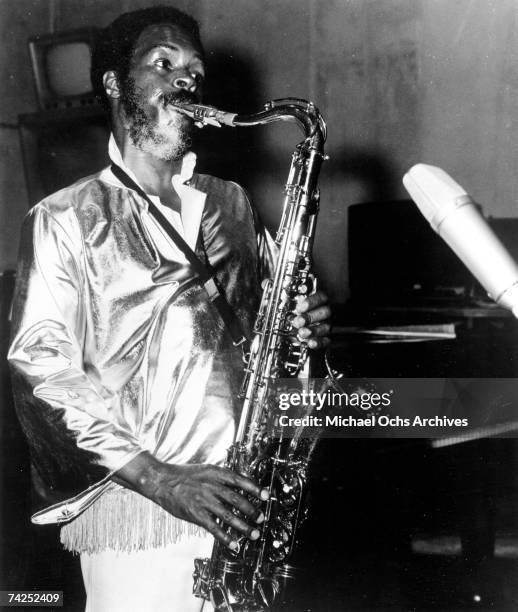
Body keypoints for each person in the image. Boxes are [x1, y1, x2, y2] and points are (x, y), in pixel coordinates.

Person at [8, 6, 331, 611]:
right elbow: (41, 372)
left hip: (245, 503)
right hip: (140, 509)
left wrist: (302, 326)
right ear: (114, 84)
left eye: (195, 71)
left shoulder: (231, 202)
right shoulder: (64, 217)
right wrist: (160, 477)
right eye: (164, 64)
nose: (186, 80)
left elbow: (268, 340)